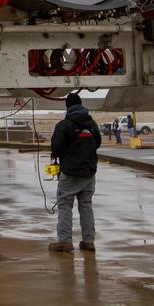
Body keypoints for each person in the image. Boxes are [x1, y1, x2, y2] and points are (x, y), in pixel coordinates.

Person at [49, 93, 102, 253]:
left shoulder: (64, 125)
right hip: (89, 172)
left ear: (68, 107)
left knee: (65, 204)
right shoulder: (92, 124)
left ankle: (64, 242)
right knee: (86, 205)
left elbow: (56, 149)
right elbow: (97, 143)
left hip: (70, 173)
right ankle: (88, 241)